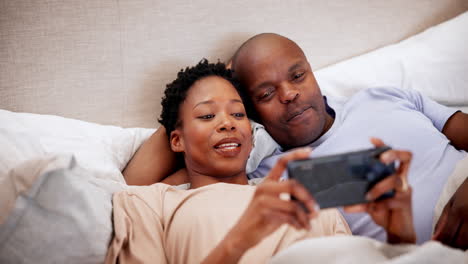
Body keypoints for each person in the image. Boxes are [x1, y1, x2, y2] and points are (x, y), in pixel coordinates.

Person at [122, 34, 468, 249]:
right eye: (267, 92)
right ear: (252, 111)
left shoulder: (383, 97)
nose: (289, 94)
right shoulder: (274, 178)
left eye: (298, 75)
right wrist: (214, 81)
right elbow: (130, 186)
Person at [106, 60, 416, 264]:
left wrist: (400, 240)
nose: (228, 123)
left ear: (252, 137)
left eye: (238, 114)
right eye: (207, 115)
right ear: (176, 140)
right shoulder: (147, 201)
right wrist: (241, 240)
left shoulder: (310, 193)